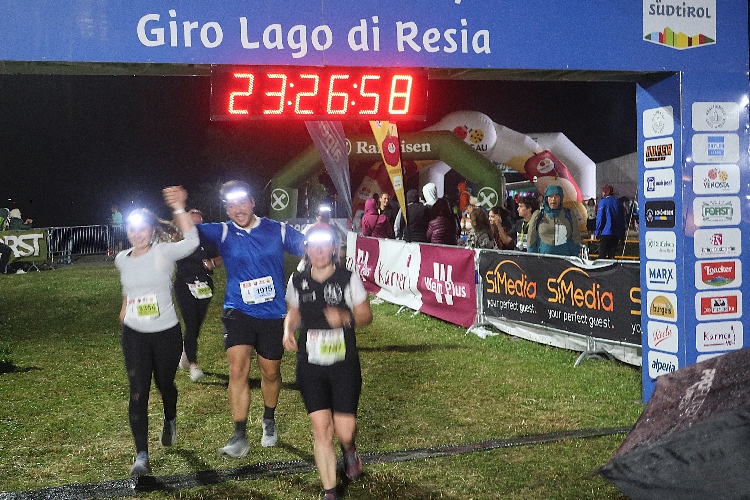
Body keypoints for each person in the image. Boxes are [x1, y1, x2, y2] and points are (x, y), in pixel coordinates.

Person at [196, 180, 305, 458]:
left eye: (242, 202)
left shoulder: (276, 229)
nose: (237, 209)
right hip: (238, 311)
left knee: (271, 373)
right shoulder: (223, 231)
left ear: (253, 202)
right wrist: (177, 208)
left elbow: (307, 247)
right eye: (231, 205)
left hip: (272, 314)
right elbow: (187, 231)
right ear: (226, 209)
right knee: (237, 370)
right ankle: (239, 434)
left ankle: (269, 419)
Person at [283, 223, 373, 500]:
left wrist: (345, 318)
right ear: (307, 249)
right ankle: (330, 491)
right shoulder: (297, 280)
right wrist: (288, 330)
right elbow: (294, 311)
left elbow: (366, 315)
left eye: (324, 246)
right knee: (321, 429)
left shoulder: (348, 278)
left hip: (343, 365)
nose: (319, 251)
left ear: (334, 249)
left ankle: (349, 449)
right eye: (314, 246)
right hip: (310, 365)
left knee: (344, 431)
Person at [115, 187, 198, 477]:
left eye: (142, 229)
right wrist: (124, 309)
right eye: (131, 229)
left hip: (165, 333)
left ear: (151, 231)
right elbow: (129, 287)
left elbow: (192, 241)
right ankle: (141, 456)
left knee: (165, 384)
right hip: (134, 333)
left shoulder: (163, 252)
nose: (136, 234)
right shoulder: (121, 259)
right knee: (138, 392)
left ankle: (170, 418)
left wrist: (179, 208)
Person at [175, 209, 222, 382]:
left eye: (199, 223)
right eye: (192, 222)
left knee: (196, 324)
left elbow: (220, 257)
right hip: (184, 285)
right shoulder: (179, 239)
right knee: (191, 323)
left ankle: (185, 353)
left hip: (204, 285)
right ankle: (193, 365)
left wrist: (212, 263)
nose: (196, 226)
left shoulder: (207, 241)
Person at [526, 184, 582, 256]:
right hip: (543, 258)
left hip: (565, 258)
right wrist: (532, 256)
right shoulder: (538, 215)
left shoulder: (569, 214)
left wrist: (575, 254)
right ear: (546, 198)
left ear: (561, 198)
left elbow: (576, 237)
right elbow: (531, 238)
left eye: (556, 196)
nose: (553, 199)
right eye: (550, 196)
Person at [593, 185, 626, 259]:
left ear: (605, 192)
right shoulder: (618, 203)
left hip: (605, 233)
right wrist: (622, 236)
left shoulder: (603, 202)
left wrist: (597, 232)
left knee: (602, 256)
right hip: (615, 234)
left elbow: (600, 218)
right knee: (612, 255)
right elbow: (622, 220)